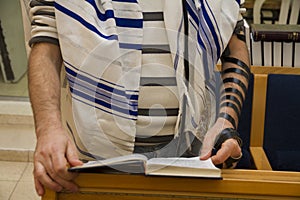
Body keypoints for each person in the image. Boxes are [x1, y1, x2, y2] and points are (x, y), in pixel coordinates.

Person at [28, 0, 250, 196]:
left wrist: (225, 121)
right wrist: (48, 129)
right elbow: (46, 46)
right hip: (90, 160)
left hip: (189, 158)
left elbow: (236, 46)